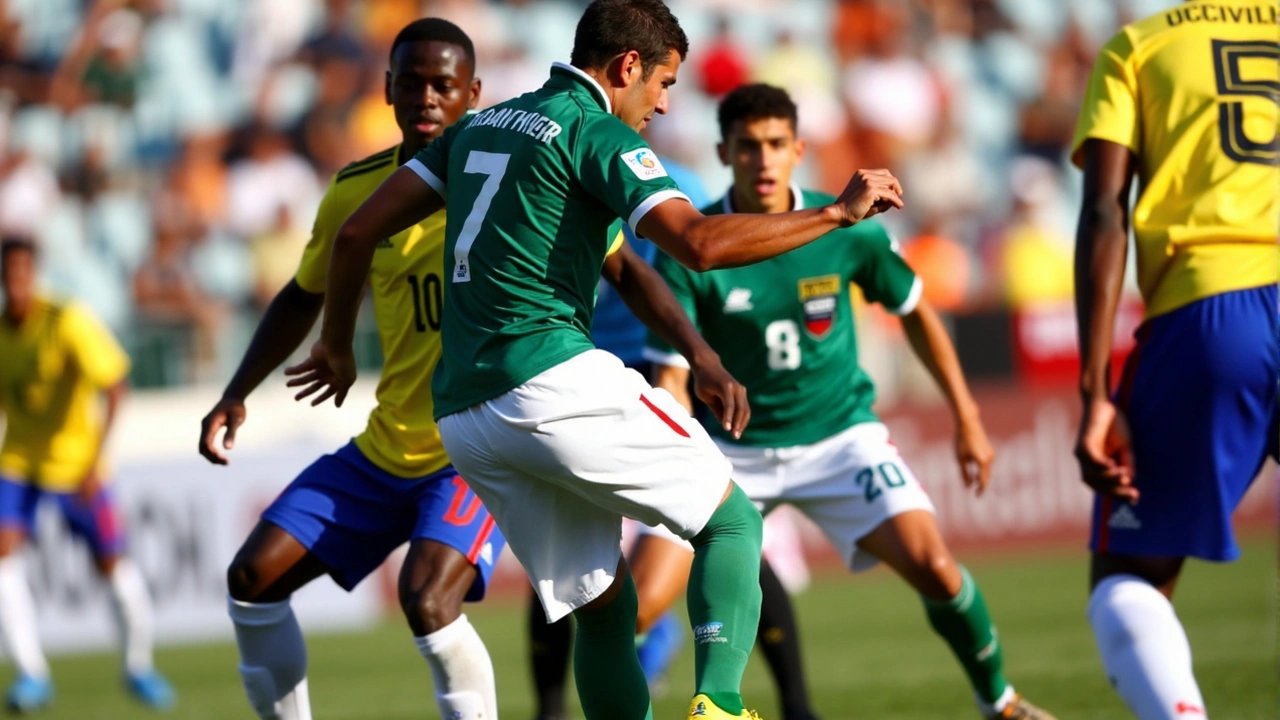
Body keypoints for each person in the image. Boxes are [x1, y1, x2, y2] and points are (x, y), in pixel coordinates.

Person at [302, 0, 904, 716]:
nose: (663, 101)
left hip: (464, 415)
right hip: (549, 379)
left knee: (602, 607)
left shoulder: (481, 126)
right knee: (733, 521)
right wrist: (835, 213)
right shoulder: (596, 132)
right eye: (664, 81)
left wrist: (336, 343)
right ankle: (720, 702)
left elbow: (356, 233)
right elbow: (698, 244)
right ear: (626, 67)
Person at [637, 84, 1054, 720]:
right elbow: (670, 373)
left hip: (838, 439)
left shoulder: (845, 230)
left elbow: (915, 311)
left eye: (777, 144)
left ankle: (1000, 700)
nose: (764, 159)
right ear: (724, 151)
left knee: (937, 568)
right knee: (639, 602)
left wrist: (968, 418)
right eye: (748, 146)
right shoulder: (697, 245)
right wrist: (666, 450)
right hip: (730, 453)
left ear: (799, 149)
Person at [199, 20, 508, 720]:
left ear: (474, 94)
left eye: (444, 85)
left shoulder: (513, 184)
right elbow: (301, 296)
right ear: (388, 90)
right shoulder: (357, 192)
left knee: (427, 599)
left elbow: (617, 263)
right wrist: (235, 391)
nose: (428, 98)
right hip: (385, 447)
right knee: (252, 578)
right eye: (413, 83)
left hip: (475, 451)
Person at [1071, 2, 1279, 718]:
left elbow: (1105, 211)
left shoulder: (1140, 47)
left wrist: (1097, 393)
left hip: (1214, 307)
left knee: (1128, 572)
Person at [526, 157, 710, 720]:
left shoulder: (684, 184)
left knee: (717, 516)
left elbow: (689, 267)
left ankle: (722, 690)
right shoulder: (556, 173)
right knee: (558, 558)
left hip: (652, 369)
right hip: (571, 372)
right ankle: (552, 708)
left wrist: (693, 362)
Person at [0, 237, 175, 713]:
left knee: (112, 566)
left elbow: (116, 385)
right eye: (8, 274)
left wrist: (96, 460)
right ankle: (31, 674)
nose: (15, 284)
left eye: (22, 273)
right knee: (2, 552)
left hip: (78, 466)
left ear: (33, 274)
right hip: (18, 461)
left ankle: (138, 666)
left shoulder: (66, 320)